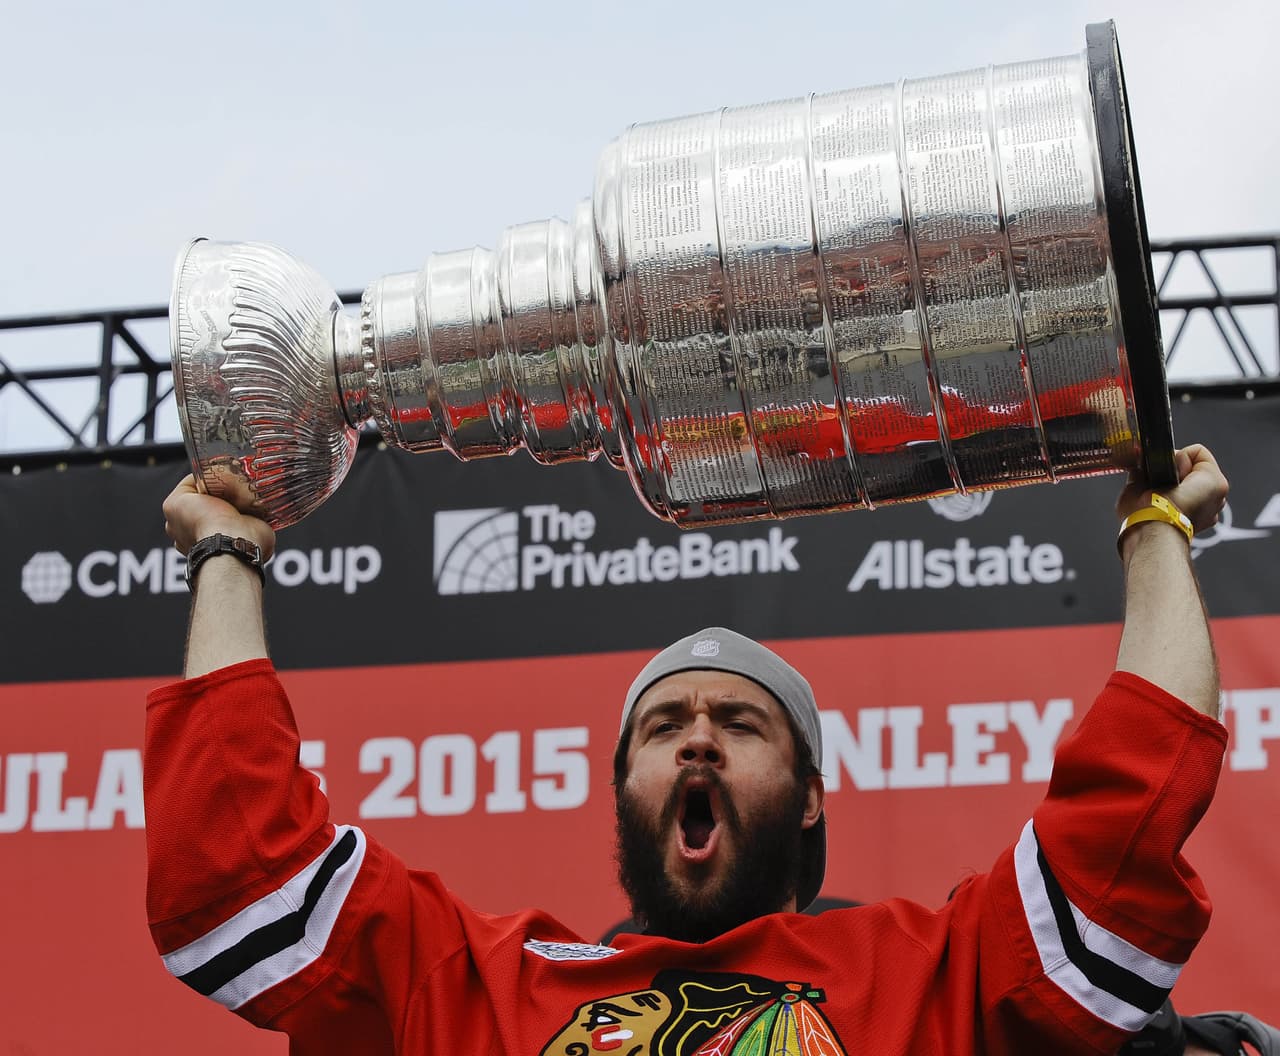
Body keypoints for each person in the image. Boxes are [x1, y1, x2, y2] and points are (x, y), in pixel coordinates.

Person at [147, 445, 1230, 1055]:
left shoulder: (924, 976)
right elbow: (248, 883)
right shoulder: (478, 983)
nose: (698, 739)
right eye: (663, 729)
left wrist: (1155, 533)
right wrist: (232, 553)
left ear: (810, 797)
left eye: (739, 722)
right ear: (624, 786)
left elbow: (1115, 846)